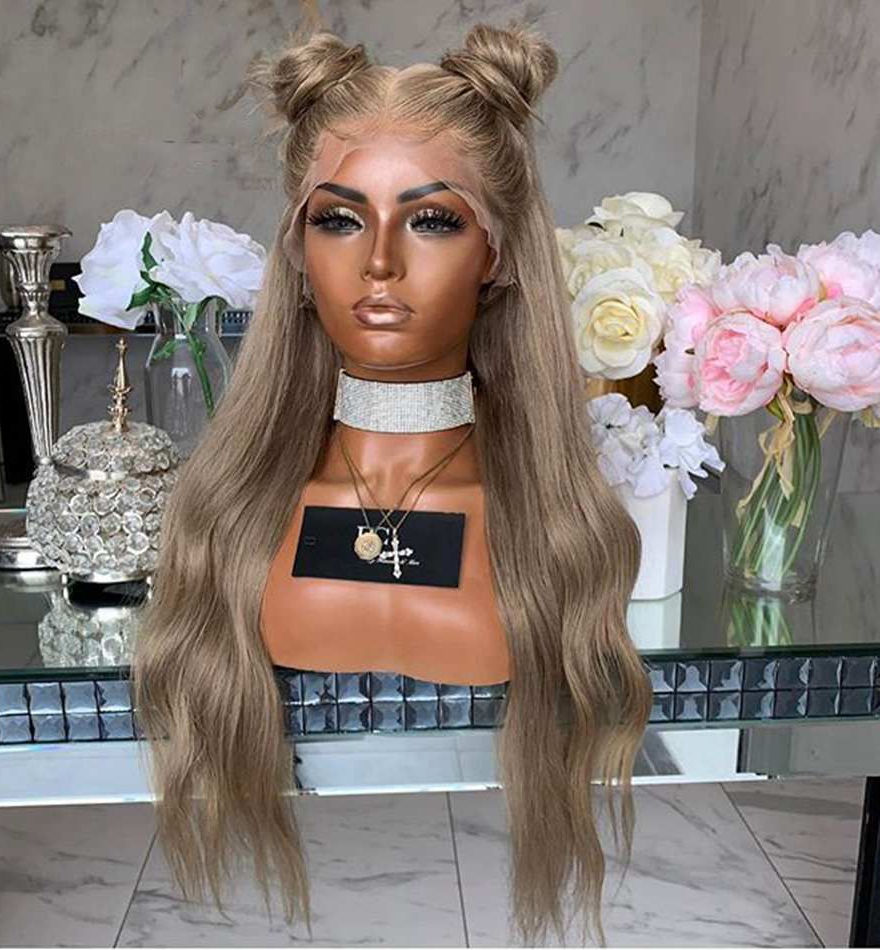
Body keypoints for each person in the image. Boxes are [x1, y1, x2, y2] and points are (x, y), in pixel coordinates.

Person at [132, 21, 652, 947]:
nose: (378, 263)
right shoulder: (229, 523)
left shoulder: (552, 536)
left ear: (497, 254)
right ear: (298, 254)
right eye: (338, 219)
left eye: (432, 219)